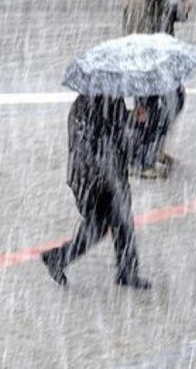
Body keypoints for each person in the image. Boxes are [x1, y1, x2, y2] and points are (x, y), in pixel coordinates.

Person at [41, 95, 151, 289]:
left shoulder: (103, 101)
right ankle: (60, 258)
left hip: (100, 176)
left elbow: (117, 135)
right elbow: (108, 142)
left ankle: (125, 270)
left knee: (112, 223)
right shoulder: (92, 106)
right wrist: (133, 123)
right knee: (110, 222)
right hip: (96, 178)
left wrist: (134, 120)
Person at [123, 0, 192, 178]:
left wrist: (179, 11)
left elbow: (162, 16)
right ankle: (140, 161)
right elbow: (144, 35)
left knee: (170, 101)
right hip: (147, 65)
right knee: (151, 110)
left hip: (158, 62)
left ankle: (152, 148)